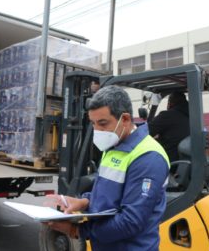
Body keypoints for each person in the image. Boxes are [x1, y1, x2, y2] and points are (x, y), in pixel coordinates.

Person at [46, 85, 170, 251]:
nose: (97, 130)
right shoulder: (113, 146)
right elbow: (108, 192)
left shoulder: (148, 157)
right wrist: (84, 201)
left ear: (125, 119)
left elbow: (130, 221)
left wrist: (77, 230)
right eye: (93, 123)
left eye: (102, 123)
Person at [148, 92, 190, 162]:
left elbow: (146, 132)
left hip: (167, 161)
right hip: (183, 162)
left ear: (170, 103)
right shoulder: (191, 117)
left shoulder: (167, 116)